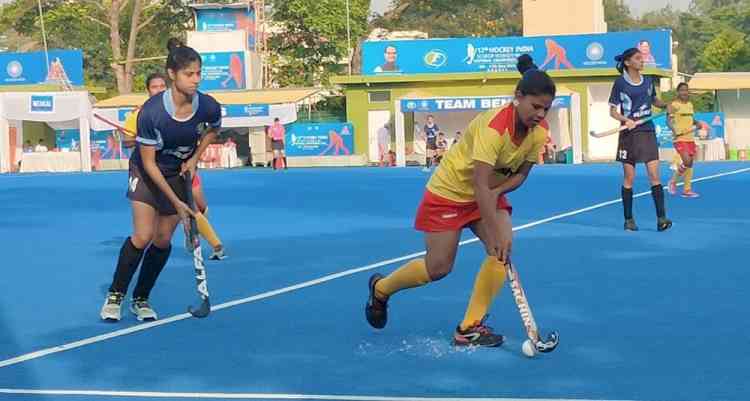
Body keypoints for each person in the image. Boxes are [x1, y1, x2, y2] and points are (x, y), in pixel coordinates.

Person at [364, 54, 553, 347]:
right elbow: (478, 182)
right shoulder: (493, 128)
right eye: (536, 106)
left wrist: (496, 197)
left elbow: (521, 175)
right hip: (449, 193)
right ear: (518, 97)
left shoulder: (539, 134)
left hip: (489, 192)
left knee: (500, 251)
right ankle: (381, 289)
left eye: (546, 109)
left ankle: (468, 327)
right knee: (438, 268)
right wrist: (490, 203)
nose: (540, 114)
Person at [100, 38, 223, 322]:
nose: (195, 80)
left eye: (198, 74)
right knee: (143, 236)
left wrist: (194, 159)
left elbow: (214, 129)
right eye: (189, 74)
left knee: (163, 240)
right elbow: (148, 162)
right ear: (172, 75)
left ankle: (141, 298)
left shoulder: (207, 105)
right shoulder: (152, 113)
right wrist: (178, 203)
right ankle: (116, 294)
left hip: (176, 172)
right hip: (147, 173)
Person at [122, 72, 227, 261]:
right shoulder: (140, 113)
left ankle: (193, 231)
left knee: (200, 206)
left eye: (162, 86)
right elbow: (127, 141)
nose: (159, 90)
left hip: (184, 167)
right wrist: (144, 143)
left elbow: (209, 130)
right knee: (186, 209)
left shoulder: (186, 105)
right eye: (154, 87)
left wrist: (194, 157)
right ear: (148, 91)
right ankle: (215, 243)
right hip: (154, 170)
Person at [609, 48, 673, 232]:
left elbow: (654, 100)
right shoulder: (620, 83)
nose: (642, 61)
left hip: (647, 131)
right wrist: (625, 120)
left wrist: (667, 105)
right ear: (628, 63)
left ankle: (661, 219)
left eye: (642, 58)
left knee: (655, 176)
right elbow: (613, 111)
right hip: (629, 133)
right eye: (638, 58)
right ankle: (628, 219)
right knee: (630, 177)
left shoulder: (648, 81)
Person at [667, 82, 699, 198]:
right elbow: (668, 121)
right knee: (686, 161)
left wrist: (697, 123)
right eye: (682, 90)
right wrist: (674, 131)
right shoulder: (674, 105)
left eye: (686, 90)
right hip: (680, 138)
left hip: (690, 138)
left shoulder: (690, 104)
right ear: (678, 92)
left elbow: (691, 118)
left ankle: (687, 190)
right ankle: (673, 181)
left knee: (689, 164)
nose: (684, 92)